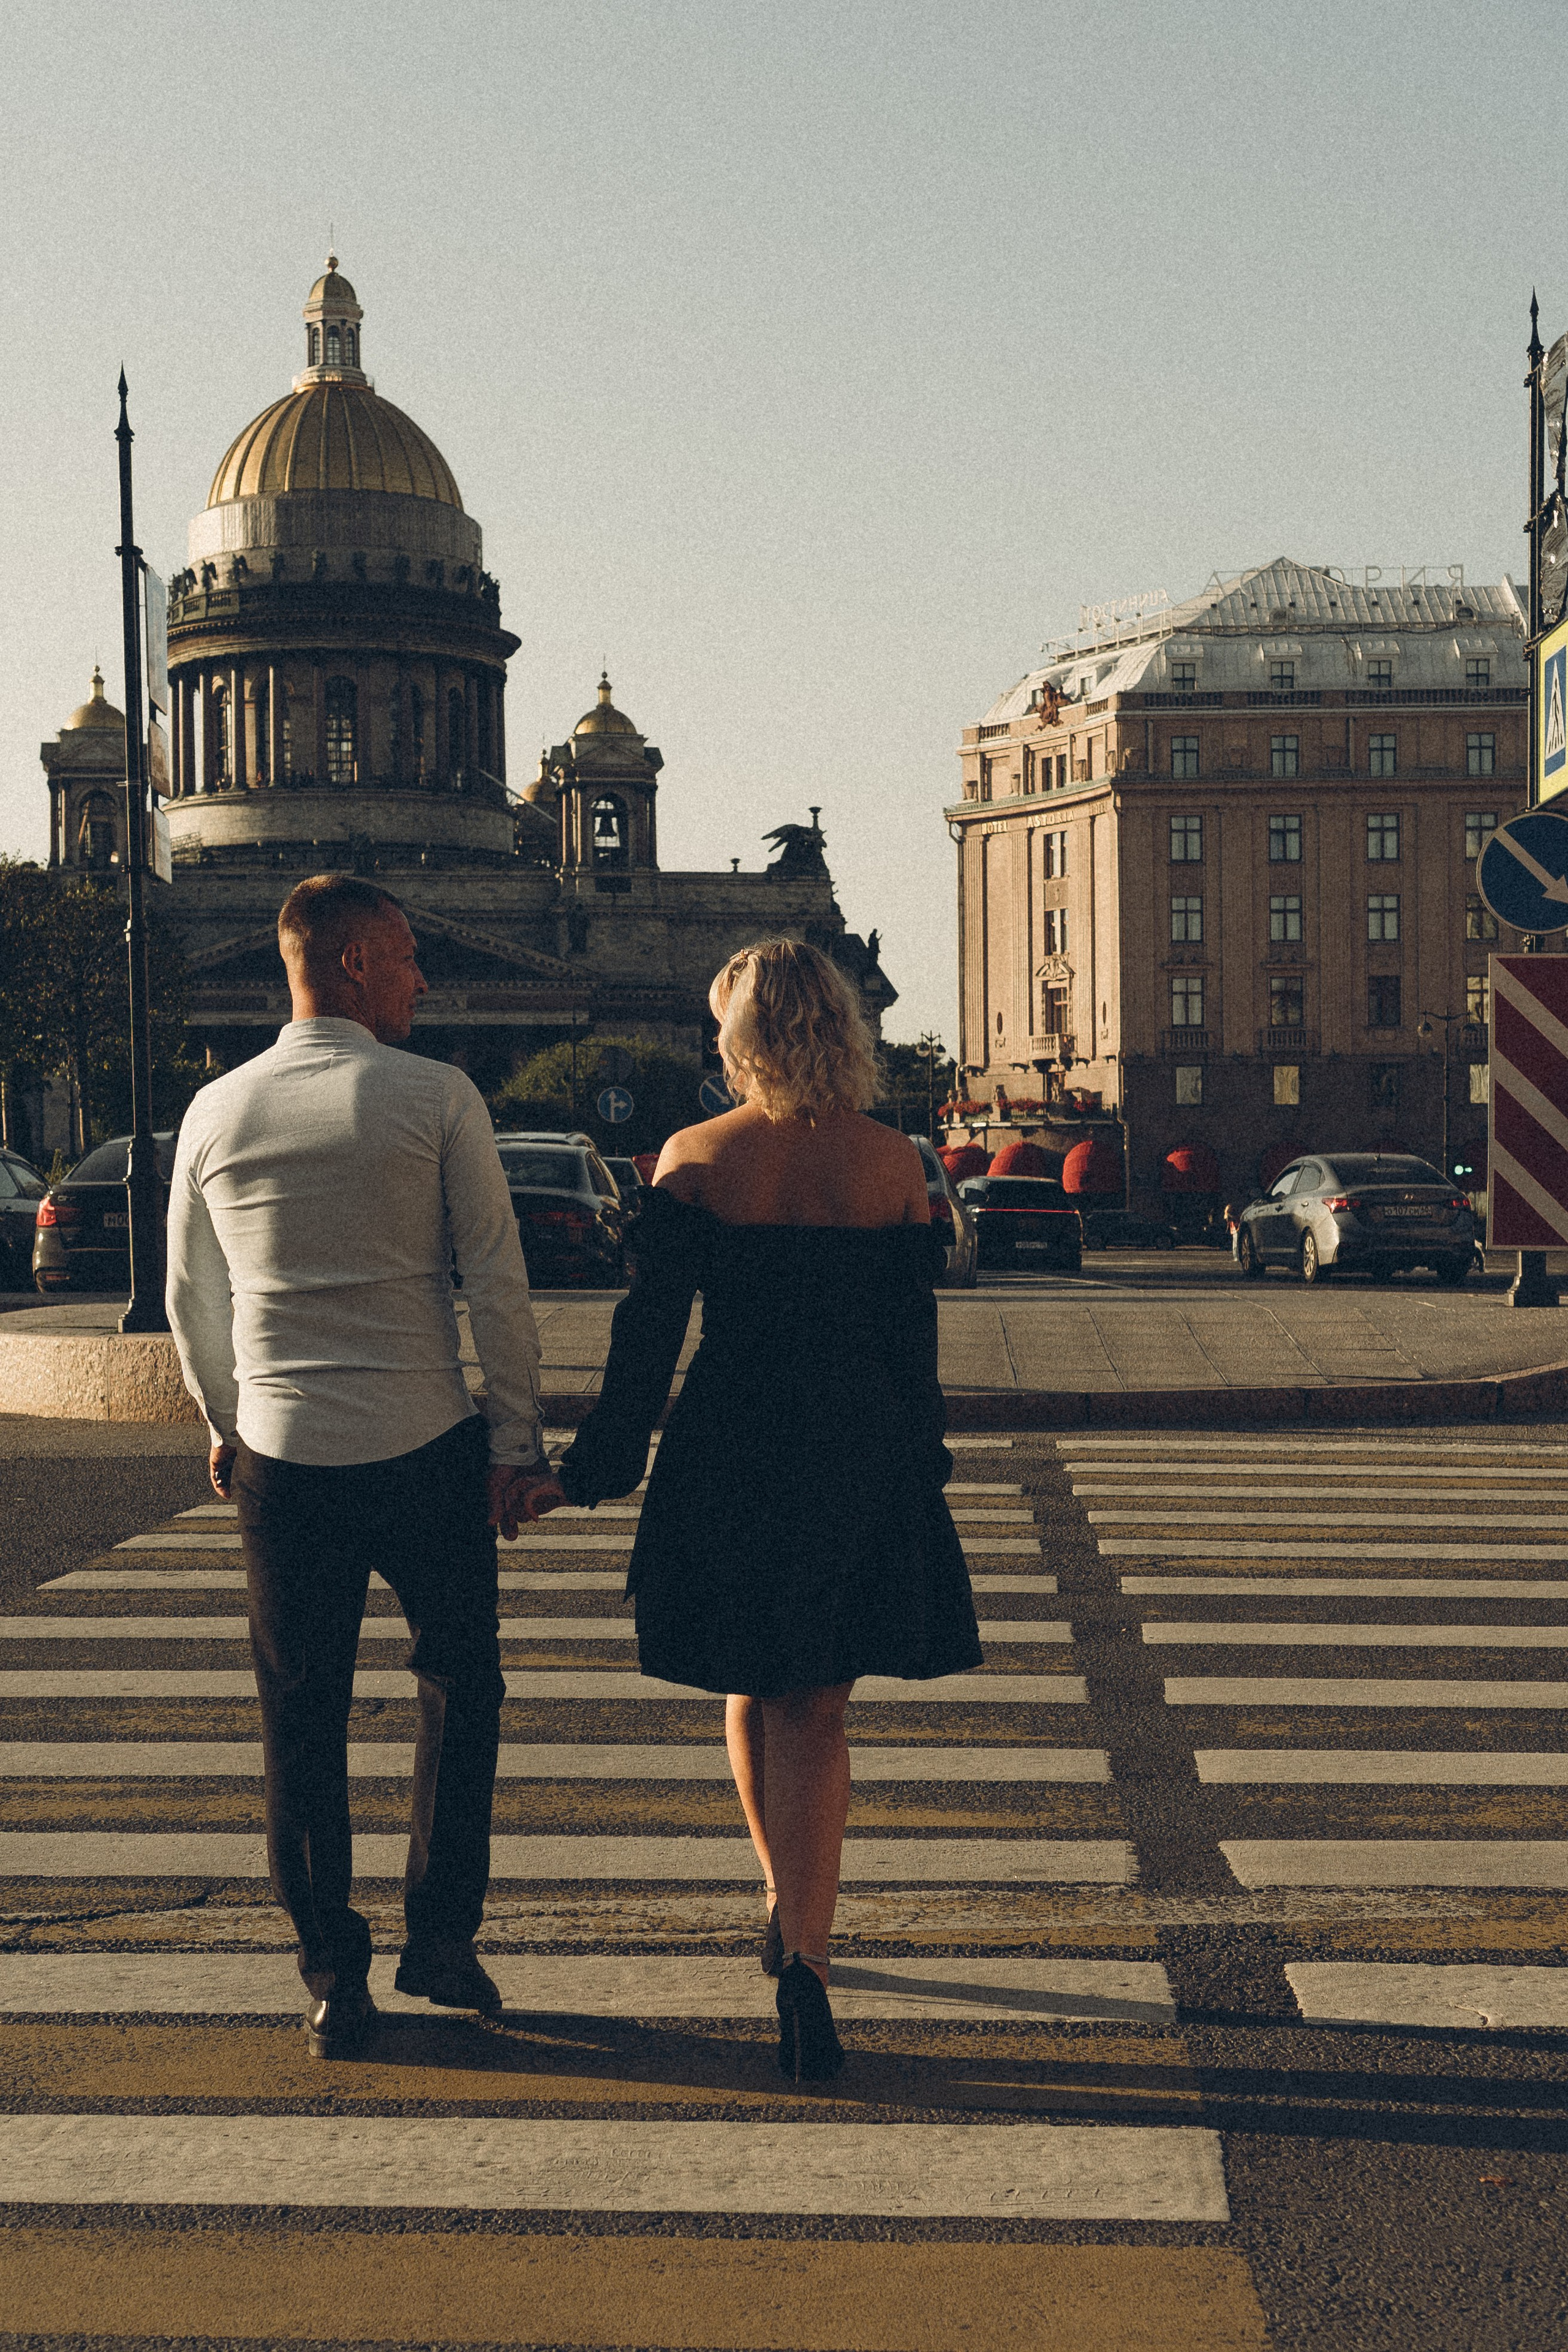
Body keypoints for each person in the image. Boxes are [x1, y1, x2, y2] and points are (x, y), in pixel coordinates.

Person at [558, 939, 981, 2079]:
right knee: (822, 1710)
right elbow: (913, 1354)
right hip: (857, 1452)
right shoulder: (897, 1167)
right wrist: (920, 1473)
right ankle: (807, 1951)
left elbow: (644, 1346)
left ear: (739, 1035)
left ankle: (779, 1904)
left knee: (755, 1681)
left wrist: (586, 1470)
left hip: (733, 1446)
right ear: (843, 1028)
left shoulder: (694, 1158)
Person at [166, 875, 564, 2059]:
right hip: (429, 1449)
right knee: (462, 1687)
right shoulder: (437, 1096)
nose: (423, 977)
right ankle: (441, 1939)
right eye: (403, 959)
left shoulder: (215, 1112)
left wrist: (230, 1424)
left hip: (285, 1458)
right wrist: (515, 1443)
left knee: (302, 1714)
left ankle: (333, 1975)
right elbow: (496, 1284)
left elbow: (195, 1304)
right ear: (349, 964)